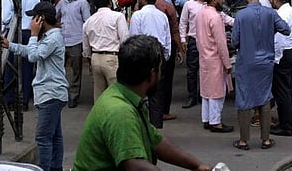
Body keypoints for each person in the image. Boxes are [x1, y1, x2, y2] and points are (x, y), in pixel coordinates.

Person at [72, 35, 212, 171]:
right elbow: (135, 165)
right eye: (160, 70)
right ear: (152, 74)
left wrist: (197, 165)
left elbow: (155, 140)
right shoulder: (120, 112)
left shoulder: (127, 97)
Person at [2, 1, 67, 171]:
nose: (32, 21)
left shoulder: (53, 37)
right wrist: (11, 46)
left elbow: (33, 55)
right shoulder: (50, 37)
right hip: (52, 93)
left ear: (41, 19)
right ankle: (55, 168)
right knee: (54, 136)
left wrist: (32, 34)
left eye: (35, 18)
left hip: (50, 93)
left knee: (43, 138)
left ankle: (44, 168)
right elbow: (32, 51)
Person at [231, 0, 289, 150]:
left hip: (246, 61)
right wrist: (269, 33)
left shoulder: (241, 15)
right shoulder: (270, 13)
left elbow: (235, 41)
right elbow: (286, 29)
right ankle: (266, 139)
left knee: (244, 97)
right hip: (266, 62)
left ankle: (243, 140)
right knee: (265, 97)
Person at [129, 0, 172, 128]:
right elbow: (167, 38)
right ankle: (156, 127)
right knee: (157, 93)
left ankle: (141, 125)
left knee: (139, 91)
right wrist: (165, 56)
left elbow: (134, 37)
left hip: (143, 53)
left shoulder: (138, 15)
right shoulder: (162, 15)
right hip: (159, 54)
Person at [195, 0, 233, 133]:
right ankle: (215, 122)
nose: (222, 1)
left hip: (204, 55)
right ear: (214, 0)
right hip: (215, 57)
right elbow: (221, 43)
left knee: (206, 91)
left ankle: (207, 119)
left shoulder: (201, 13)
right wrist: (227, 63)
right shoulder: (215, 17)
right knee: (217, 92)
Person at [83, 0, 129, 101]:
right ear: (110, 2)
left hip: (95, 58)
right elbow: (125, 39)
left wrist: (90, 58)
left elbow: (86, 48)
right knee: (116, 94)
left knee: (99, 95)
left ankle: (100, 116)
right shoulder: (117, 16)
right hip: (112, 57)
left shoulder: (89, 21)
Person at [149, 0, 183, 122]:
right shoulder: (167, 7)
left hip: (146, 48)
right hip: (165, 48)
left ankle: (150, 111)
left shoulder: (141, 6)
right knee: (165, 81)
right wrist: (180, 49)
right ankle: (163, 111)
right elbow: (174, 29)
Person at [6, 0, 42, 108]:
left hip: (13, 31)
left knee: (10, 65)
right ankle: (24, 99)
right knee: (27, 67)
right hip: (29, 31)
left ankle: (9, 99)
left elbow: (6, 18)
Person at [55, 0, 91, 108]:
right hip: (62, 40)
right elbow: (54, 16)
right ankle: (61, 94)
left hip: (76, 40)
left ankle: (74, 96)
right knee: (59, 68)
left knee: (76, 70)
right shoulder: (61, 3)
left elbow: (87, 22)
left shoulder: (82, 3)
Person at [269, 0, 292, 137]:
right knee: (288, 90)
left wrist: (275, 58)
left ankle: (285, 125)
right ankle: (286, 121)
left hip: (284, 54)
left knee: (282, 91)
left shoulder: (282, 14)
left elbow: (279, 40)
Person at [179, 0, 214, 109]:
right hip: (193, 39)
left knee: (207, 69)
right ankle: (192, 96)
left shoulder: (211, 5)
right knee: (192, 70)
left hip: (208, 40)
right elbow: (183, 22)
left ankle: (205, 95)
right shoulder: (189, 5)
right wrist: (183, 40)